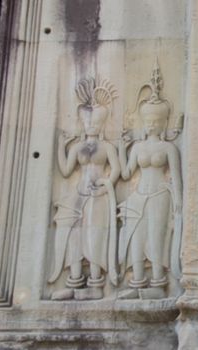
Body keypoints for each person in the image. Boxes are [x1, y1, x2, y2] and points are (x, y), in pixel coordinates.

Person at [49, 78, 120, 300]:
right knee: (74, 239)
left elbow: (116, 170)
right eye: (88, 121)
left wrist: (105, 185)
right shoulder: (78, 147)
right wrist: (61, 146)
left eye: (96, 122)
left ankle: (96, 284)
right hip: (77, 195)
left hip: (97, 196)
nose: (92, 125)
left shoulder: (107, 146)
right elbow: (66, 169)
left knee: (94, 238)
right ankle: (74, 282)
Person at [117, 64, 182, 299]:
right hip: (138, 196)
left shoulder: (168, 147)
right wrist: (119, 147)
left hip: (160, 195)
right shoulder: (138, 147)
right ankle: (137, 282)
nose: (153, 124)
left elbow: (175, 175)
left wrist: (179, 204)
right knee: (136, 236)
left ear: (164, 123)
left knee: (156, 238)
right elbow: (126, 174)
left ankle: (157, 283)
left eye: (157, 120)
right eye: (149, 120)